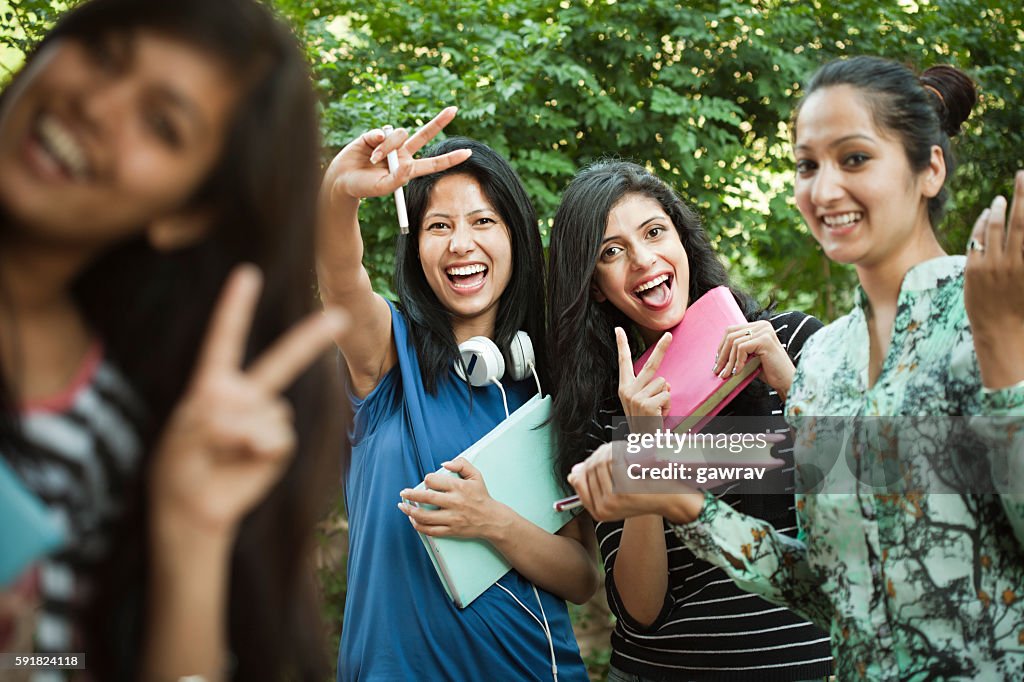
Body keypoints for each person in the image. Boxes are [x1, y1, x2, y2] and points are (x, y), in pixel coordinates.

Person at [570, 57, 1024, 680]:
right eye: (808, 166)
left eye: (855, 158)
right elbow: (833, 581)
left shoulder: (985, 315)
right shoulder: (832, 358)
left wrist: (1005, 365)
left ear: (930, 168)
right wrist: (674, 490)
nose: (826, 188)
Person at [0, 0, 342, 680]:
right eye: (103, 53)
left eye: (161, 124)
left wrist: (193, 534)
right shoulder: (394, 359)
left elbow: (589, 580)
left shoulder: (579, 393)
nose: (97, 105)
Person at [317, 112, 599, 680]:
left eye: (483, 221)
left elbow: (581, 576)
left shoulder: (543, 384)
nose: (461, 244)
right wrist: (338, 193)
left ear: (514, 236)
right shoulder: (384, 357)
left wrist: (490, 520)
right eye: (438, 226)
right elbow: (341, 279)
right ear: (415, 246)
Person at [547, 160, 833, 681]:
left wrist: (795, 386)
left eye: (654, 232)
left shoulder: (791, 342)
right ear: (594, 286)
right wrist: (645, 450)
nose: (642, 259)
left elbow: (884, 495)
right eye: (611, 252)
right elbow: (641, 608)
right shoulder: (610, 409)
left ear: (681, 239)